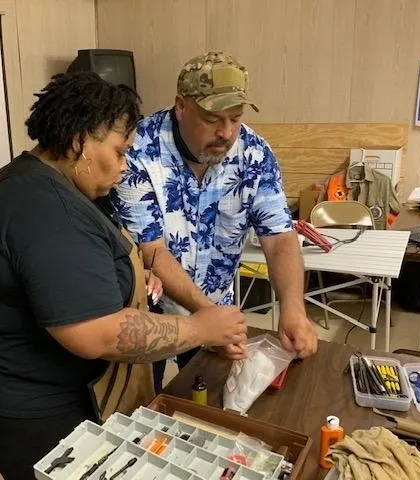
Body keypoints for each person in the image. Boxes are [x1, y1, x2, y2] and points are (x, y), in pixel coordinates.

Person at [0, 71, 248, 479]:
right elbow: (96, 333)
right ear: (80, 141)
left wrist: (129, 283)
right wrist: (199, 328)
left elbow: (60, 273)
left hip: (9, 383)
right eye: (120, 151)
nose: (125, 167)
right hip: (31, 404)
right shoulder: (49, 210)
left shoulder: (32, 176)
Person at [111, 50, 318, 392]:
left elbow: (280, 236)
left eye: (234, 118)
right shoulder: (138, 150)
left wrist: (293, 307)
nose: (226, 133)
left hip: (215, 307)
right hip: (149, 315)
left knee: (214, 406)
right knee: (146, 407)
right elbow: (152, 251)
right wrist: (210, 318)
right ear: (181, 106)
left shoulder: (253, 153)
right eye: (212, 119)